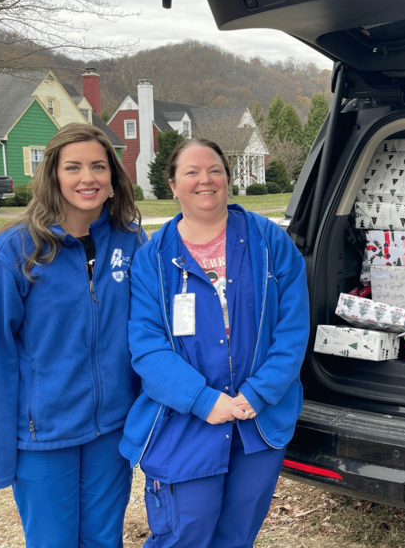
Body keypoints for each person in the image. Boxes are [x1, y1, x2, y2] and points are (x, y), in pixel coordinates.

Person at [120, 138, 309, 547]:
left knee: (237, 535)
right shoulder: (153, 258)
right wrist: (204, 401)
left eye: (215, 170)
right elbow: (148, 347)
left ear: (228, 178)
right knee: (186, 533)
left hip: (256, 419)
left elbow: (292, 328)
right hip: (184, 422)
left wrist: (259, 393)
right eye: (191, 172)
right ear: (172, 185)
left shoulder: (268, 242)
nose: (205, 180)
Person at [0, 123, 146, 547]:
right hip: (43, 435)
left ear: (114, 178)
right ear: (54, 175)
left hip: (112, 430)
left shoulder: (132, 242)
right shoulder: (14, 252)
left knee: (105, 540)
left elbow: (150, 333)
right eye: (74, 167)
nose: (88, 178)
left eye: (99, 166)